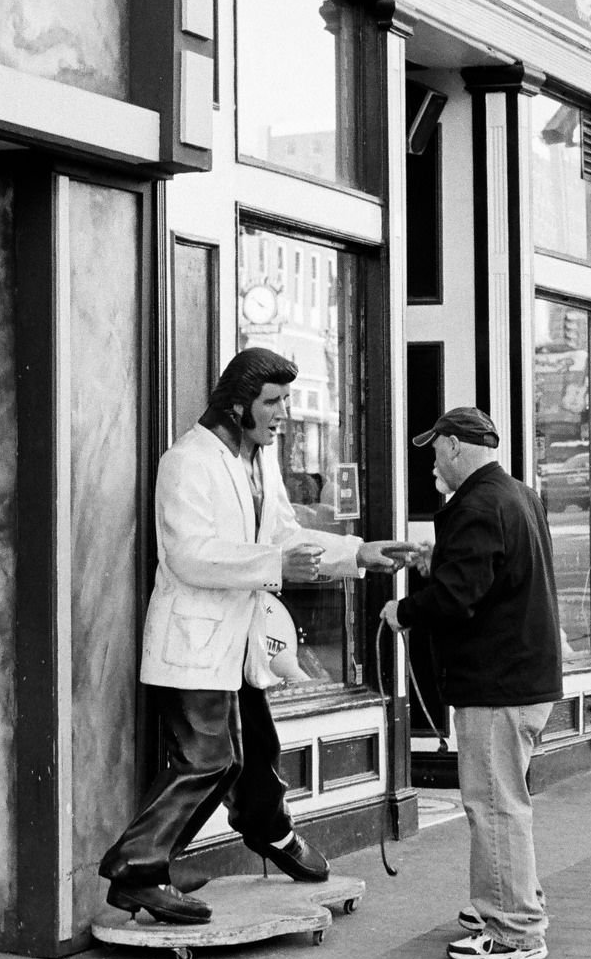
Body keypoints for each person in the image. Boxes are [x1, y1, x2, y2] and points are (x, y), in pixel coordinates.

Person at [100, 347, 401, 925]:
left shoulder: (258, 462)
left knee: (257, 752)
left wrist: (359, 552)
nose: (283, 413)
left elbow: (285, 534)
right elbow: (189, 557)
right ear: (238, 405)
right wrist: (273, 568)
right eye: (273, 402)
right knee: (208, 762)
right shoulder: (186, 461)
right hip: (195, 645)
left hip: (237, 647)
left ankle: (269, 830)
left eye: (286, 400)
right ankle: (136, 868)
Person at [382, 407, 562, 959]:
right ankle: (509, 898)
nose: (432, 463)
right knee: (507, 798)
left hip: (496, 684)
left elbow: (460, 598)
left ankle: (513, 928)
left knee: (493, 803)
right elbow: (493, 574)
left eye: (435, 451)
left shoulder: (478, 504)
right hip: (528, 679)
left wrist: (402, 609)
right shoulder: (516, 495)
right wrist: (443, 558)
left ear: (455, 446)